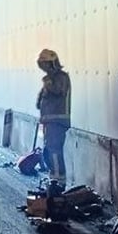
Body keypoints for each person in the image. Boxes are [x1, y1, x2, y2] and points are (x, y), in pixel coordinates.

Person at [36, 48, 71, 187]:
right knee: (49, 150)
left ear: (52, 63)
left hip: (57, 120)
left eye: (45, 64)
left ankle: (58, 181)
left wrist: (47, 83)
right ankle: (54, 178)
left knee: (55, 150)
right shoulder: (51, 78)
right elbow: (41, 101)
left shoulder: (61, 77)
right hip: (50, 120)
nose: (43, 68)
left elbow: (58, 91)